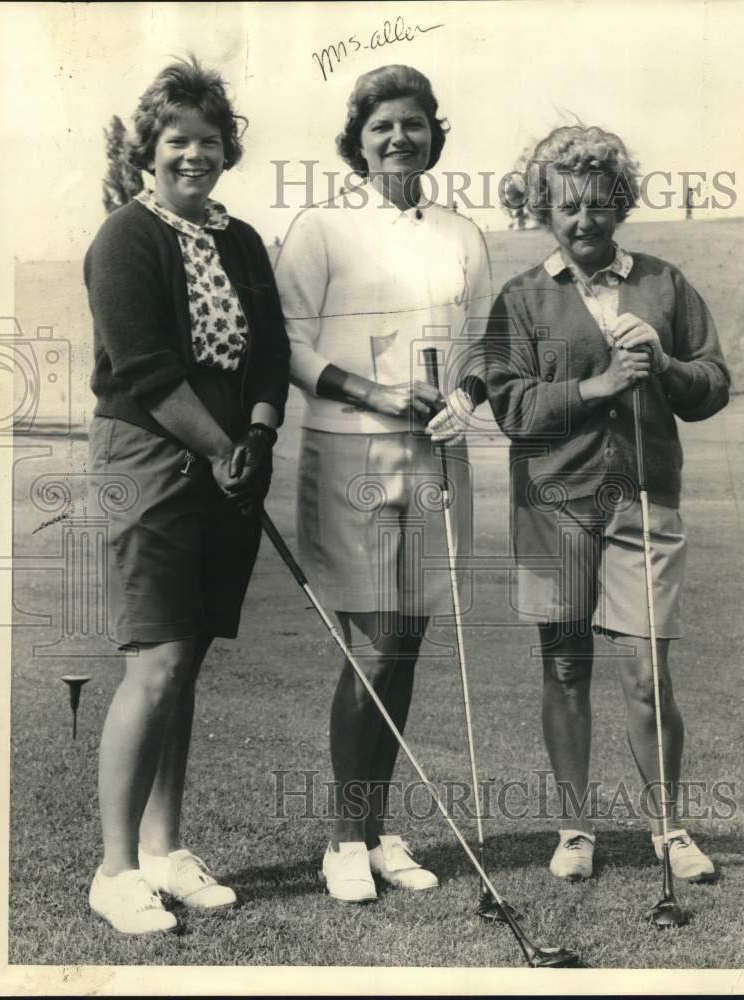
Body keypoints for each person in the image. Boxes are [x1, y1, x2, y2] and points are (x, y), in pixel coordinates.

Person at [484, 125, 730, 882]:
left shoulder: (663, 283)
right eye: (565, 207)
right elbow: (509, 406)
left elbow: (713, 384)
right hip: (553, 505)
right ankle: (573, 829)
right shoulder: (522, 299)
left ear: (617, 203)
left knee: (647, 672)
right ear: (542, 210)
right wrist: (596, 387)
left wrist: (662, 366)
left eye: (596, 204)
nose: (582, 220)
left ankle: (668, 827)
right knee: (564, 669)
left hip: (644, 504)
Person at [275, 64, 492, 903]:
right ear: (356, 142)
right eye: (380, 127)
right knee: (372, 645)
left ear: (435, 133)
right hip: (348, 450)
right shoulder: (320, 226)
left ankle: (372, 828)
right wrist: (373, 394)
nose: (398, 137)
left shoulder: (462, 232)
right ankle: (340, 838)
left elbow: (476, 344)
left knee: (405, 645)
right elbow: (287, 345)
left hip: (438, 454)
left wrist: (465, 399)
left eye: (413, 123)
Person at [84, 56, 290, 934]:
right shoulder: (125, 239)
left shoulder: (239, 240)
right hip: (151, 459)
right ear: (148, 150)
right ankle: (115, 868)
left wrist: (258, 436)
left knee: (189, 662)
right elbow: (145, 369)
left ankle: (167, 852)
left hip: (225, 462)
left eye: (210, 141)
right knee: (156, 662)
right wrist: (220, 450)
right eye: (178, 141)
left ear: (226, 150)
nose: (195, 155)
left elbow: (270, 352)